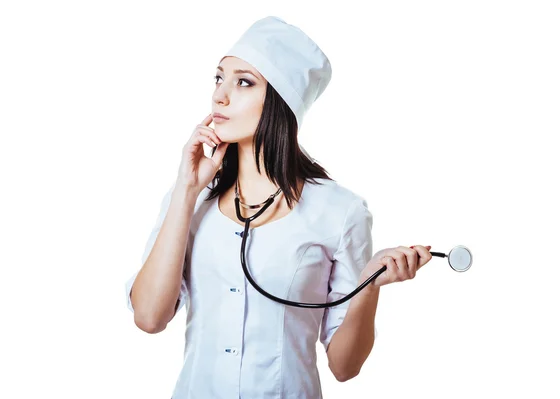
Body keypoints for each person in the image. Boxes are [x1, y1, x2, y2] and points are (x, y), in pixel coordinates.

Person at [125, 16, 433, 399]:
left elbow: (344, 366)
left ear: (280, 101)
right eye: (219, 78)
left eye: (244, 82)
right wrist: (187, 191)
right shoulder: (190, 197)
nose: (220, 96)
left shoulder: (339, 212)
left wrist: (370, 283)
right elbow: (149, 318)